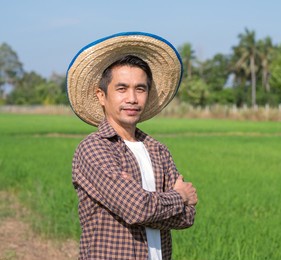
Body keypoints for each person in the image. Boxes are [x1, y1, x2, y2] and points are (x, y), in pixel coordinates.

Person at [67, 32, 198, 260]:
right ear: (101, 95)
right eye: (122, 88)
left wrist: (148, 204)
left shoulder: (158, 150)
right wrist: (179, 196)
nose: (132, 98)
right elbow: (136, 208)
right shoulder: (94, 149)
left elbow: (187, 217)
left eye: (140, 88)